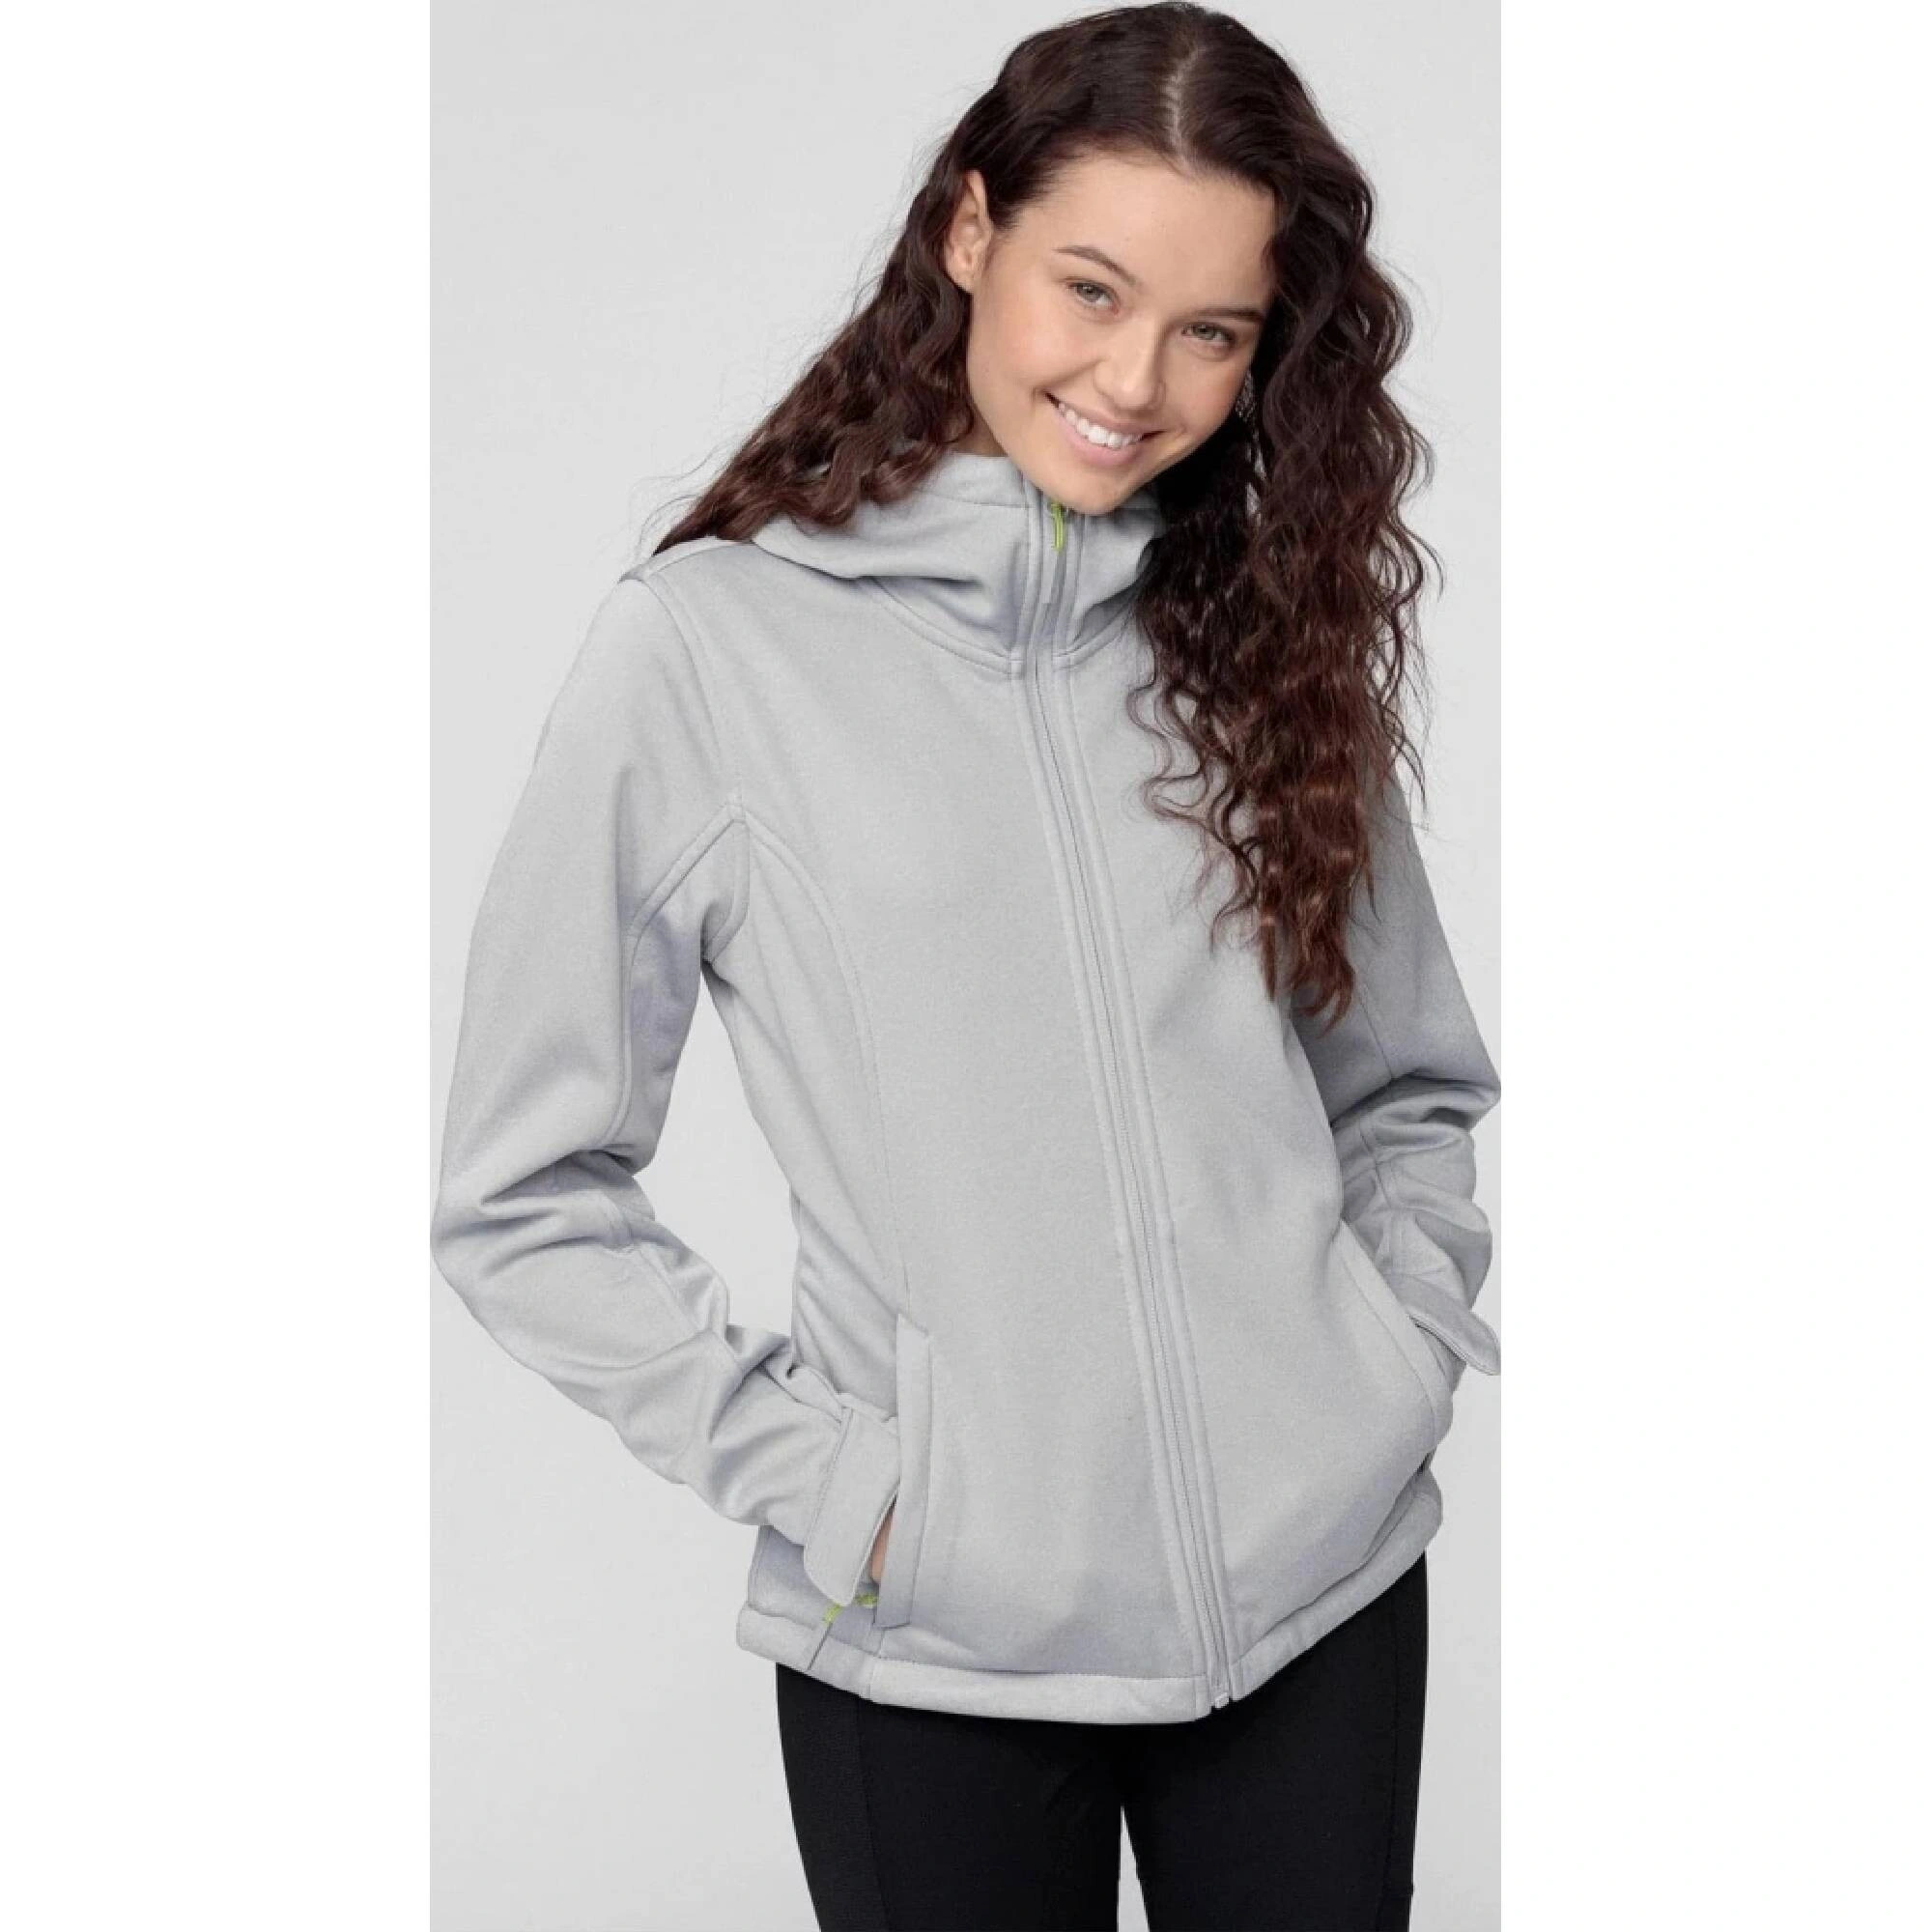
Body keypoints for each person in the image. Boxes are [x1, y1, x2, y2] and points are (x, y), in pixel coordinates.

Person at [431, 4, 1499, 1925]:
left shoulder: (1260, 633)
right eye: (1092, 289)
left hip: (1320, 1601)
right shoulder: (709, 652)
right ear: (969, 230)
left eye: (1213, 330)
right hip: (933, 1652)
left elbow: (1404, 1082)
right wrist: (837, 1485)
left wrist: (1385, 1359)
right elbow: (520, 1190)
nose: (1134, 379)